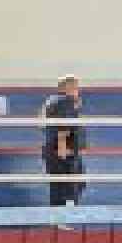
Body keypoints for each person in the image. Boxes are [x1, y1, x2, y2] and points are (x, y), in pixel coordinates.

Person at [41, 75, 85, 207]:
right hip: (64, 152)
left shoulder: (51, 102)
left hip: (57, 150)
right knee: (69, 186)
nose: (78, 91)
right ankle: (66, 216)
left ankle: (60, 217)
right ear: (70, 88)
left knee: (60, 185)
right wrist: (62, 146)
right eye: (76, 88)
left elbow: (42, 124)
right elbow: (63, 126)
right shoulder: (65, 102)